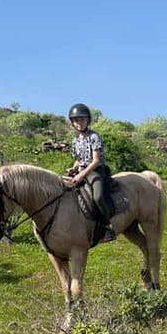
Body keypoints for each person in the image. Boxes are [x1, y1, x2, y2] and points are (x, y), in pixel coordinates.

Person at [65, 103, 116, 242]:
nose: (79, 123)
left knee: (98, 197)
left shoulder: (94, 136)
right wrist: (73, 169)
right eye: (75, 120)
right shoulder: (75, 140)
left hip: (95, 171)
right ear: (72, 123)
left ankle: (108, 226)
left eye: (82, 119)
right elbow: (78, 160)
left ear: (88, 120)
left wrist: (81, 174)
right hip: (81, 171)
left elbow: (96, 161)